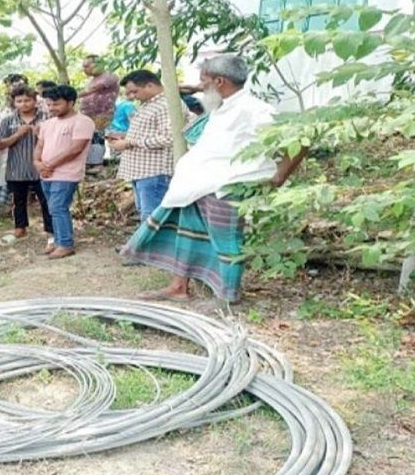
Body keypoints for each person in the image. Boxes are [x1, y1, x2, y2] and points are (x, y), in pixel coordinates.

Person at [122, 55, 306, 303]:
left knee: (226, 241)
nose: (200, 86)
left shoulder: (255, 109)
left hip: (226, 187)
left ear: (220, 81)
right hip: (195, 187)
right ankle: (179, 287)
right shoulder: (221, 107)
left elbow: (301, 139)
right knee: (187, 236)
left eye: (203, 81)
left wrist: (280, 174)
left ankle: (228, 297)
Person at [108, 70, 186, 223]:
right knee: (146, 214)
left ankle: (153, 247)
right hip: (142, 172)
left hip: (155, 172)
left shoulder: (166, 105)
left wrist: (130, 143)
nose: (131, 97)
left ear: (150, 85)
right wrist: (125, 137)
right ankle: (145, 247)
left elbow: (169, 137)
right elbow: (151, 133)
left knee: (152, 218)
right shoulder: (149, 104)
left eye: (134, 91)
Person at [34, 85, 95, 259]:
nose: (52, 108)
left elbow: (76, 149)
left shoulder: (83, 121)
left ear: (70, 102)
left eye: (56, 104)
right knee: (53, 208)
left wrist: (50, 165)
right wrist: (37, 163)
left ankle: (66, 244)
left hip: (67, 173)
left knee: (58, 207)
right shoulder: (47, 124)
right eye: (49, 104)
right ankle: (59, 241)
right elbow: (39, 146)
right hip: (46, 173)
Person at [0, 86, 53, 246]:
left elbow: (56, 141)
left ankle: (50, 231)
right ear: (14, 103)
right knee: (18, 201)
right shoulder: (8, 120)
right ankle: (20, 228)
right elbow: (0, 144)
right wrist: (18, 134)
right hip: (17, 168)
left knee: (46, 200)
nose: (24, 104)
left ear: (35, 101)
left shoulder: (47, 117)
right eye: (19, 101)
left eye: (27, 100)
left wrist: (40, 134)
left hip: (41, 167)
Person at [78, 55, 120, 169]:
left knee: (97, 137)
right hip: (88, 114)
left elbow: (93, 89)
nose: (85, 69)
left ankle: (97, 164)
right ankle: (89, 163)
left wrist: (72, 95)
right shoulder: (91, 80)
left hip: (101, 114)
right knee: (89, 138)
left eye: (87, 66)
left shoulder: (109, 76)